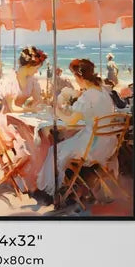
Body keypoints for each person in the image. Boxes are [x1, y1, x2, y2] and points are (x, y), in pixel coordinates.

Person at [38, 58, 117, 198]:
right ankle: (66, 185)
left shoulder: (87, 96)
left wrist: (56, 111)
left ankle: (52, 189)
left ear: (79, 76)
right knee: (68, 141)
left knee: (54, 150)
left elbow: (70, 121)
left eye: (74, 76)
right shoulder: (104, 92)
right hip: (109, 144)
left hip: (92, 147)